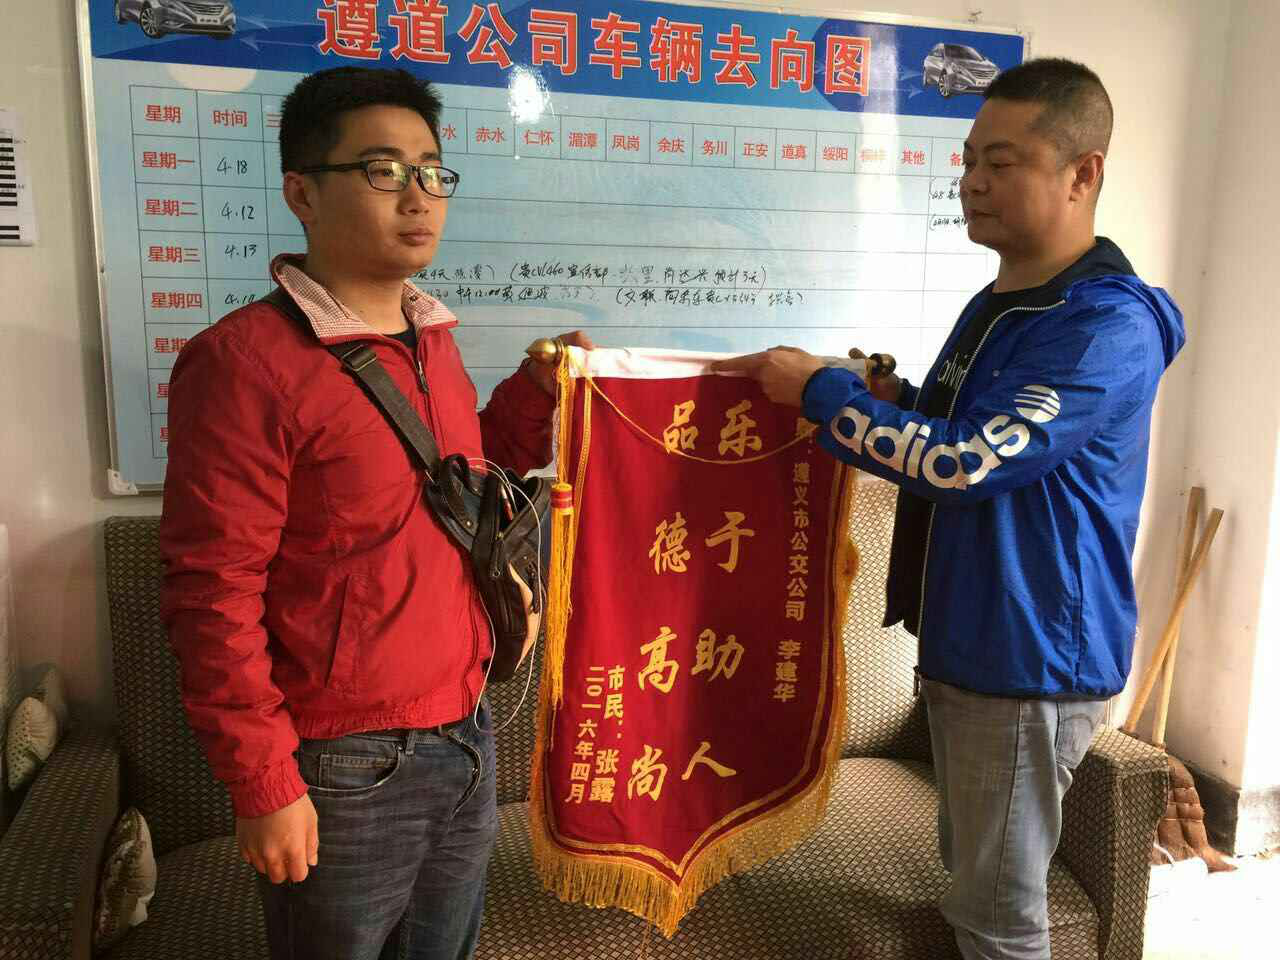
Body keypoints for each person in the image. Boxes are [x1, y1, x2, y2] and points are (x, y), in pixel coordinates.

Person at [714, 58, 1184, 958]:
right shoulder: (1006, 302)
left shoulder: (1102, 325)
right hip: (973, 641)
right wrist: (890, 396)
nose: (971, 181)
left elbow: (965, 463)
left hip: (1028, 658)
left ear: (1082, 174)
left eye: (1001, 163)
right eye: (969, 159)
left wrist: (820, 396)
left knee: (999, 918)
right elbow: (963, 426)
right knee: (975, 887)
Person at [159, 66, 591, 960]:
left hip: (467, 729)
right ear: (302, 193)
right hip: (346, 764)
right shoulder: (243, 363)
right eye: (382, 170)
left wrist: (538, 391)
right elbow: (211, 591)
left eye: (432, 171)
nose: (418, 196)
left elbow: (459, 481)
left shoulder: (431, 339)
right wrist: (264, 784)